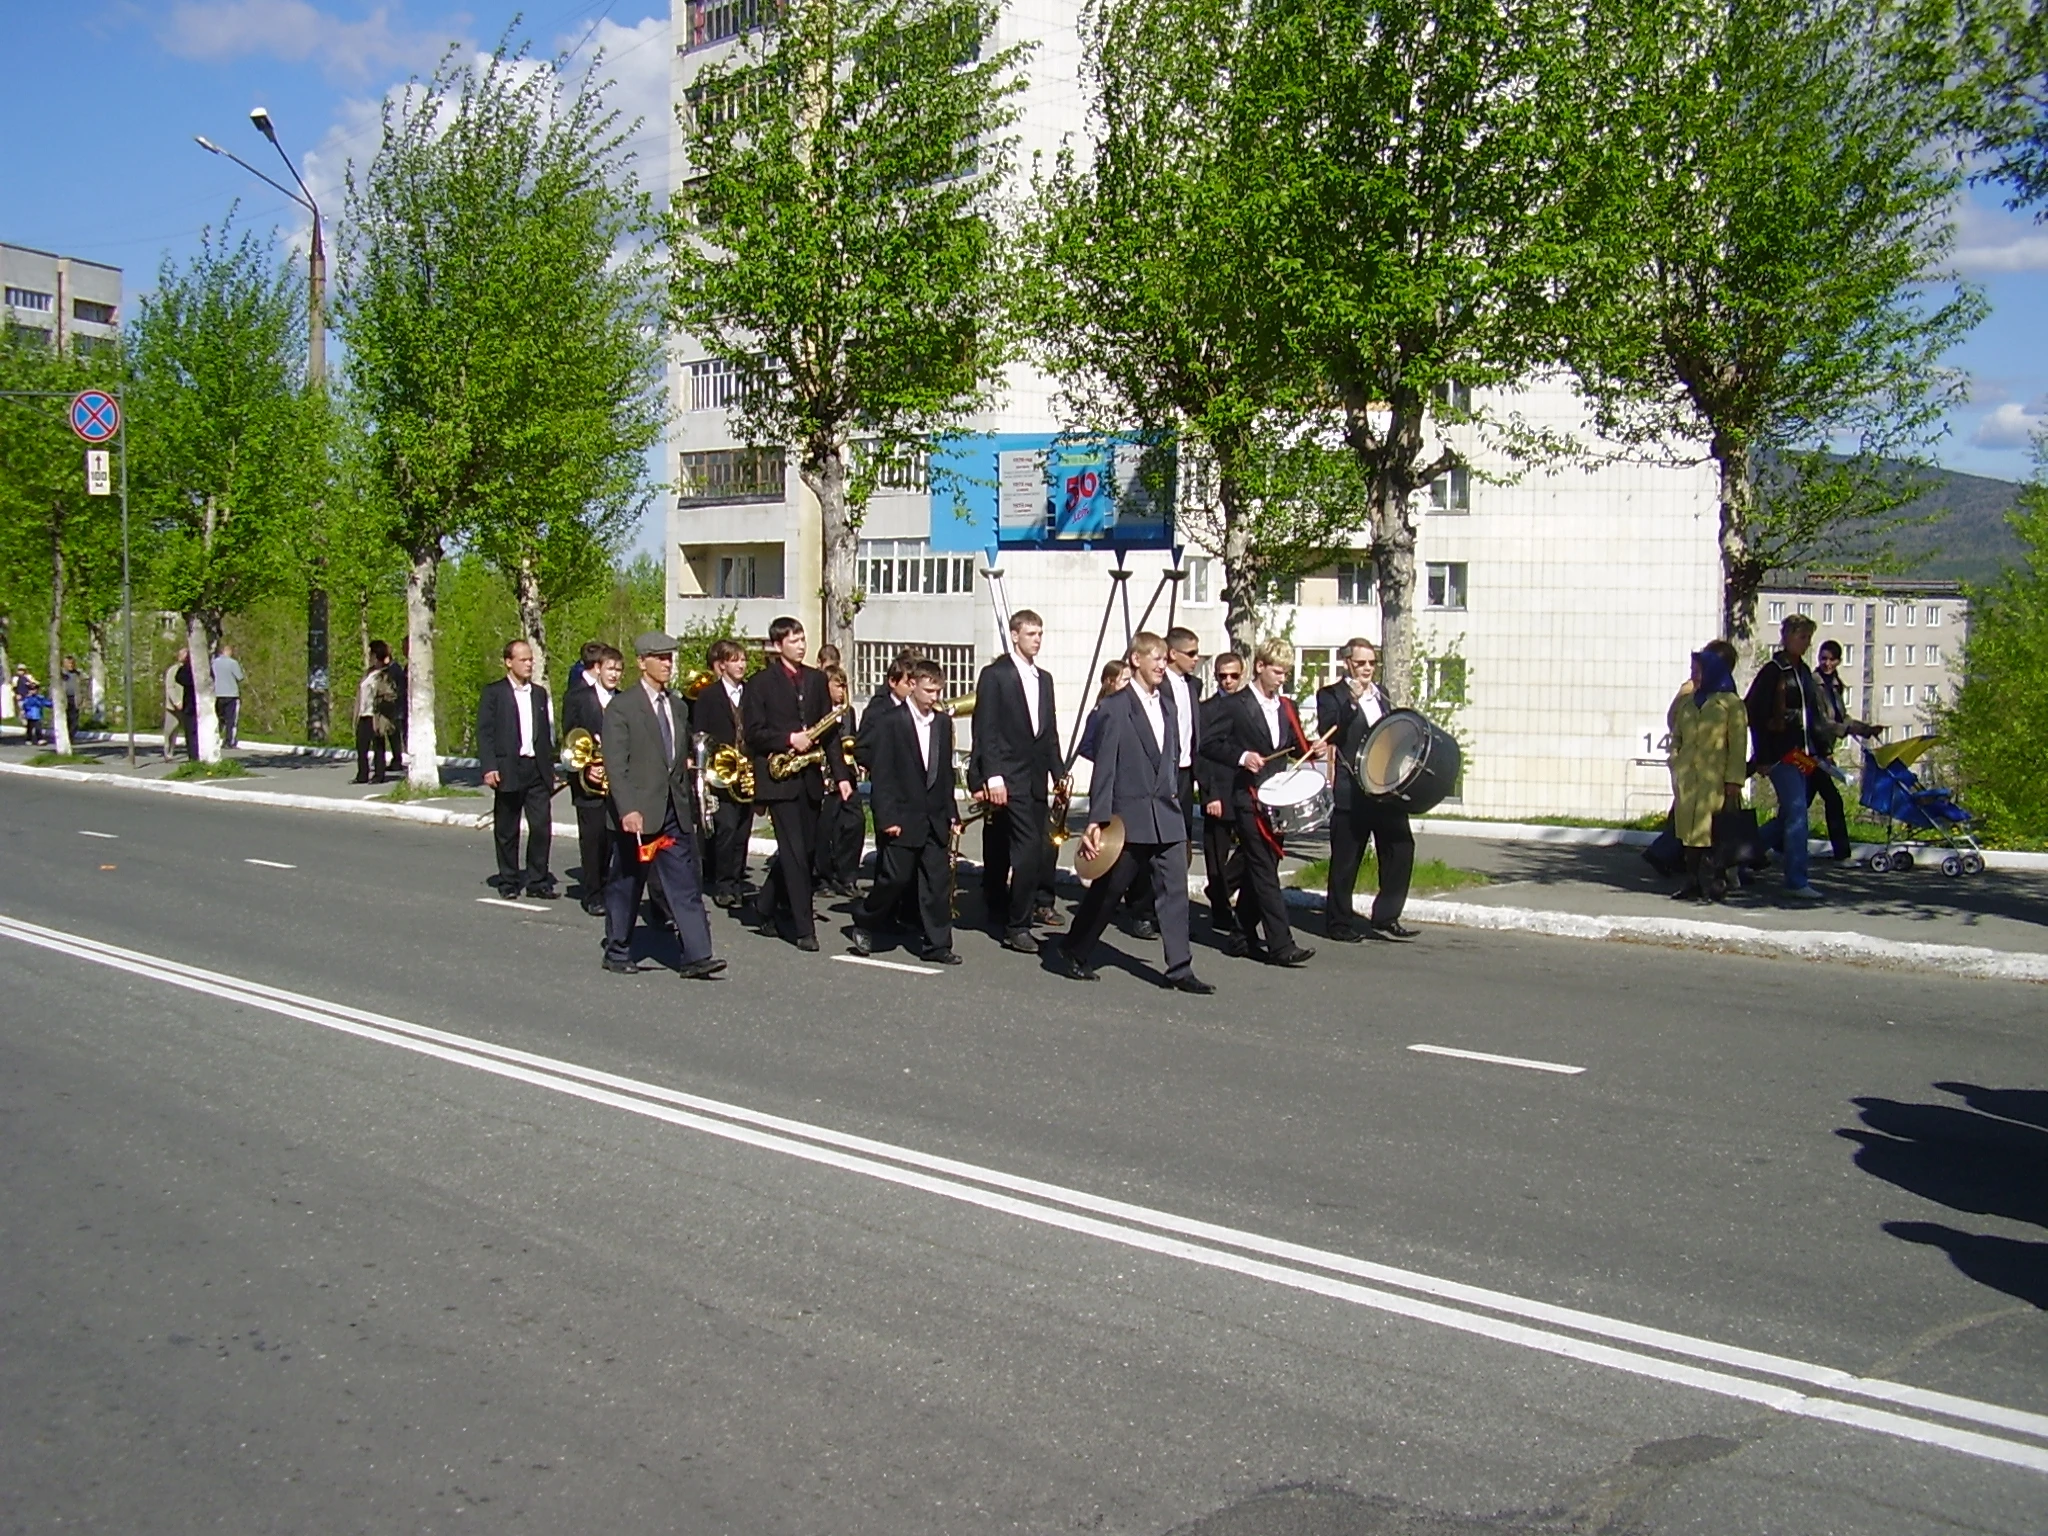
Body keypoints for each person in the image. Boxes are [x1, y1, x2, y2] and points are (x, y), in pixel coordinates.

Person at [1057, 633, 1215, 994]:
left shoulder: (1168, 706)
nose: (1161, 665)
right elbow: (1105, 767)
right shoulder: (1115, 707)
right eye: (1154, 658)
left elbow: (1171, 759)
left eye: (1164, 659)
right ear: (1135, 660)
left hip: (1167, 814)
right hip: (1129, 816)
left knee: (1174, 892)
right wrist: (1098, 819)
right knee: (1110, 888)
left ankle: (1180, 969)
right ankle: (1075, 948)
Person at [599, 632, 726, 979]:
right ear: (642, 662)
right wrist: (628, 809)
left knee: (685, 882)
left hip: (673, 813)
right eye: (660, 657)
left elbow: (676, 760)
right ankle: (617, 950)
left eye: (670, 657)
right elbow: (616, 765)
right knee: (628, 883)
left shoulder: (678, 706)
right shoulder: (623, 707)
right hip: (640, 814)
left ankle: (697, 955)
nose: (668, 664)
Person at [1199, 639, 1318, 966]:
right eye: (1278, 671)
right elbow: (1208, 744)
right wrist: (1242, 756)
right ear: (1260, 667)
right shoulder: (1236, 705)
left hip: (1279, 801)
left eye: (1286, 673)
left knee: (1261, 867)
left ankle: (1241, 935)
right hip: (1248, 798)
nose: (1282, 678)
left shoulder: (1286, 707)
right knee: (1265, 871)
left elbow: (1295, 746)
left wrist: (1312, 748)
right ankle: (1281, 945)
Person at [744, 616, 851, 950]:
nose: (801, 646)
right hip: (778, 779)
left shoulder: (816, 680)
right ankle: (805, 930)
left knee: (804, 850)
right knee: (794, 855)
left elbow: (828, 732)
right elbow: (753, 734)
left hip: (809, 777)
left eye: (803, 639)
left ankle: (764, 906)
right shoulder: (760, 683)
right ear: (778, 645)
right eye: (793, 640)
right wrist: (789, 739)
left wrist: (841, 776)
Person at [848, 659, 961, 963]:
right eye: (928, 691)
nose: (934, 697)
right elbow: (883, 774)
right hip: (902, 817)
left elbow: (944, 774)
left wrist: (951, 813)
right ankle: (865, 919)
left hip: (934, 817)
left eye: (938, 691)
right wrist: (886, 817)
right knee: (894, 880)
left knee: (937, 883)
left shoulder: (942, 724)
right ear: (913, 685)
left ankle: (938, 945)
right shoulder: (891, 722)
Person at [968, 608, 1060, 953]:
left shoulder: (1044, 679)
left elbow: (1048, 733)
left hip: (1035, 780)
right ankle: (1017, 925)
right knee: (1027, 851)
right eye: (1031, 634)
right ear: (1015, 635)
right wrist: (993, 776)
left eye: (1040, 633)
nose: (1037, 640)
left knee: (1034, 848)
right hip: (1008, 776)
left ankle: (1012, 908)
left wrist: (1059, 774)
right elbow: (986, 729)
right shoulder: (996, 675)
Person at [1316, 638, 1417, 941]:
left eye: (1372, 663)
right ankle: (1339, 922)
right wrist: (1353, 701)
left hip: (1384, 788)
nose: (1367, 669)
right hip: (1352, 790)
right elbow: (1330, 731)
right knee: (1347, 859)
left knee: (1400, 848)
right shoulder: (1331, 695)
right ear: (1347, 662)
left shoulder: (1381, 694)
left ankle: (1386, 915)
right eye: (1361, 663)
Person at [1746, 613, 1826, 900]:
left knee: (1788, 816)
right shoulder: (1773, 671)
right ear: (1787, 637)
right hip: (1780, 754)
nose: (1806, 643)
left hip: (1800, 753)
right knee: (1797, 813)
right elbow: (1754, 713)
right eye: (1801, 636)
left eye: (1808, 638)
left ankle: (1740, 856)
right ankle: (1796, 880)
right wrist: (1763, 755)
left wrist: (1820, 748)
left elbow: (1812, 716)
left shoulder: (1803, 672)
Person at [1668, 638, 1748, 902]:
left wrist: (1734, 780)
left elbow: (1738, 745)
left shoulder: (1731, 704)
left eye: (1697, 671)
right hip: (1689, 779)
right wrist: (1675, 761)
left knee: (1715, 831)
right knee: (1690, 832)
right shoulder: (1689, 702)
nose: (1693, 676)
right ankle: (1692, 881)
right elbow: (1677, 736)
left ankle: (1718, 880)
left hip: (1716, 780)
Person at [477, 638, 557, 899]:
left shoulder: (539, 694)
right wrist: (489, 766)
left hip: (536, 769)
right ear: (508, 662)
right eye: (523, 660)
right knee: (507, 829)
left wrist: (550, 767)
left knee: (541, 827)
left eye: (531, 659)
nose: (529, 664)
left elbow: (545, 734)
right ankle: (508, 880)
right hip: (508, 768)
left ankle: (538, 881)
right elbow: (485, 733)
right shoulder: (494, 693)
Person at [690, 637, 755, 908]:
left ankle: (737, 880)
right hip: (721, 770)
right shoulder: (709, 696)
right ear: (722, 665)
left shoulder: (751, 693)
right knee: (726, 827)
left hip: (746, 771)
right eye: (734, 660)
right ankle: (723, 884)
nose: (741, 665)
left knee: (742, 829)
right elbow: (700, 734)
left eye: (743, 660)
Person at [563, 642, 625, 915]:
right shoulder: (578, 698)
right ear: (598, 668)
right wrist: (587, 767)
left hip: (617, 782)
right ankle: (593, 893)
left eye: (619, 670)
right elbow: (570, 739)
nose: (614, 674)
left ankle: (608, 887)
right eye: (610, 668)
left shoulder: (624, 701)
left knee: (612, 839)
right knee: (593, 839)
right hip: (589, 782)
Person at [1811, 638, 1879, 861]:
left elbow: (1842, 717)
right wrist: (1842, 734)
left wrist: (1866, 730)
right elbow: (1820, 722)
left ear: (1838, 661)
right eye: (1823, 658)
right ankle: (1842, 854)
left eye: (1831, 659)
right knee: (1832, 800)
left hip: (1822, 752)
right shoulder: (1814, 685)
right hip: (1812, 752)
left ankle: (1771, 845)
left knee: (1799, 804)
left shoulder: (1834, 685)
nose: (1827, 663)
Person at [814, 664, 864, 897]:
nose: (842, 691)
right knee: (825, 829)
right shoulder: (818, 711)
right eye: (838, 685)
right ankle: (823, 878)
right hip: (825, 778)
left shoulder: (848, 711)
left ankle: (848, 876)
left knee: (855, 824)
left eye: (844, 686)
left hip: (846, 778)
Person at [353, 642, 398, 784]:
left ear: (376, 655)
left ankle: (379, 774)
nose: (370, 657)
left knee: (378, 744)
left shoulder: (385, 674)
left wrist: (381, 700)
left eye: (371, 654)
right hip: (364, 713)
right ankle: (362, 774)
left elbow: (391, 694)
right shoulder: (368, 672)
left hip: (376, 714)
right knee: (361, 745)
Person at [161, 650, 194, 761]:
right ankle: (167, 751)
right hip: (173, 706)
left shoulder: (192, 670)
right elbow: (170, 687)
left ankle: (190, 752)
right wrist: (176, 702)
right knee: (170, 729)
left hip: (187, 705)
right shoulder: (173, 670)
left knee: (186, 730)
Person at [211, 643, 244, 749]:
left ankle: (214, 739)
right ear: (229, 652)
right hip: (231, 694)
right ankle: (229, 741)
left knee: (217, 718)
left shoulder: (214, 663)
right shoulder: (233, 663)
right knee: (231, 719)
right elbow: (240, 677)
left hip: (217, 693)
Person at [385, 639, 411, 774]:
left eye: (405, 647)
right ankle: (397, 759)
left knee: (401, 733)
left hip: (403, 706)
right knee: (396, 733)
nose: (403, 650)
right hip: (402, 706)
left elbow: (401, 688)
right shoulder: (405, 667)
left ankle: (401, 759)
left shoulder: (400, 668)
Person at [60, 655, 83, 740]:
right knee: (65, 718)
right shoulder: (61, 674)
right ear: (64, 664)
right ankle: (65, 736)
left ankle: (71, 736)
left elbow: (83, 686)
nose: (71, 665)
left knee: (74, 719)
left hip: (75, 698)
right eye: (68, 663)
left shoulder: (78, 674)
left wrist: (82, 698)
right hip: (64, 699)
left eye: (72, 663)